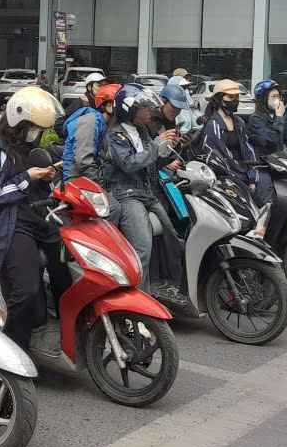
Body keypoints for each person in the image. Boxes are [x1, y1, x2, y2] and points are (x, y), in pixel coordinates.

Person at [0, 86, 68, 352]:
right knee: (25, 290)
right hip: (10, 222)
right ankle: (14, 349)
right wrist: (29, 177)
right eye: (33, 127)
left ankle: (68, 335)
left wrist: (47, 175)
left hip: (42, 216)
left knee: (67, 273)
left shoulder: (32, 145)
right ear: (17, 121)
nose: (37, 133)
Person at [103, 85, 182, 291]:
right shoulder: (115, 135)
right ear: (129, 110)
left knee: (172, 236)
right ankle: (136, 296)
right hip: (126, 194)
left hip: (147, 192)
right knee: (142, 249)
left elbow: (151, 163)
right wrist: (156, 147)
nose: (149, 112)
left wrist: (169, 150)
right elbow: (129, 164)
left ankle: (168, 285)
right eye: (144, 108)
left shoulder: (142, 131)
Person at [199, 79, 258, 192]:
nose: (235, 101)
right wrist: (241, 178)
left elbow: (248, 150)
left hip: (244, 173)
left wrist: (252, 177)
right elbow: (219, 158)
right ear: (219, 99)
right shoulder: (213, 125)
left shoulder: (239, 122)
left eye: (237, 97)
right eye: (231, 97)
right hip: (225, 177)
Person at [60, 74, 111, 182]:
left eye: (104, 85)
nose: (103, 88)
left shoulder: (99, 109)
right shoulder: (83, 104)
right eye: (99, 85)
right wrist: (72, 138)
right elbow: (61, 123)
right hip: (77, 173)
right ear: (89, 87)